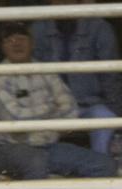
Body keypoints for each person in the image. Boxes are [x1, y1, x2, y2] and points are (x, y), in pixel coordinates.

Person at [0, 22, 116, 179]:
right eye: (10, 40)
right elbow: (16, 119)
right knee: (35, 162)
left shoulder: (45, 70)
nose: (17, 44)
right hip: (10, 148)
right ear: (2, 47)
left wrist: (41, 115)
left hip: (48, 146)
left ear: (32, 43)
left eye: (22, 38)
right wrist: (51, 108)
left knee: (104, 165)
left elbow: (70, 108)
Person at [30, 1, 122, 155]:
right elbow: (33, 75)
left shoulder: (99, 27)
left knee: (105, 117)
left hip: (90, 104)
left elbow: (110, 78)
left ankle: (102, 169)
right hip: (51, 107)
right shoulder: (38, 29)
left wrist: (118, 115)